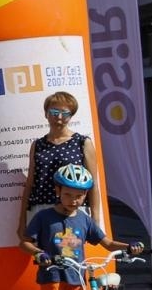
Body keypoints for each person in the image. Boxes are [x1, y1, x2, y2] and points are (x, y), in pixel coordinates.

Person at [17, 91, 98, 224]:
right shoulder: (37, 145)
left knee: (71, 245)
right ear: (46, 114)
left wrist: (95, 219)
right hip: (41, 209)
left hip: (73, 212)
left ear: (71, 116)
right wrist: (22, 221)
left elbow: (93, 183)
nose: (59, 117)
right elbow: (30, 183)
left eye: (65, 113)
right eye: (54, 112)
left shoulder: (82, 142)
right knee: (37, 246)